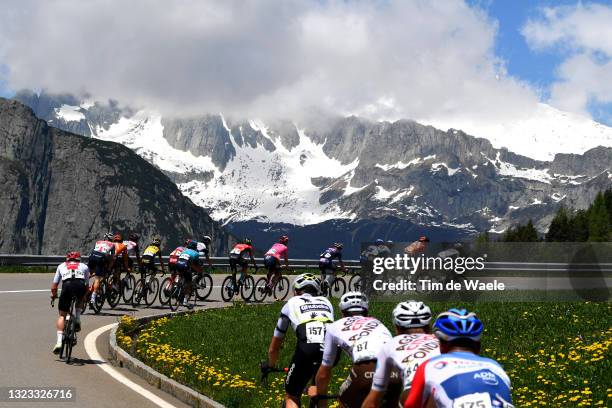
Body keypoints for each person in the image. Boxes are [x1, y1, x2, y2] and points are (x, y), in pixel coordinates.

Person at [405, 309, 514, 408]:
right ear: (478, 346)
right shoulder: (495, 366)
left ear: (441, 346)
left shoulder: (430, 365)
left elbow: (410, 405)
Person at [262, 273, 333, 408]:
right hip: (331, 351)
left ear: (296, 291)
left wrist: (270, 365)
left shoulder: (291, 303)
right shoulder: (327, 302)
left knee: (292, 396)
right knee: (320, 393)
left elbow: (275, 346)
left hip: (307, 349)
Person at [311, 291, 392, 407]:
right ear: (366, 311)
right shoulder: (378, 323)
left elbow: (324, 372)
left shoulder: (333, 327)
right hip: (395, 371)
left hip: (366, 368)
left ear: (342, 312)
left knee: (343, 400)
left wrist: (320, 394)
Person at [363, 301, 439, 408]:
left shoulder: (389, 345)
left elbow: (373, 401)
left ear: (397, 328)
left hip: (414, 392)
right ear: (429, 326)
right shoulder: (440, 341)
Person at [50, 252, 89, 353]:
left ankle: (59, 342)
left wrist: (54, 295)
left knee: (62, 316)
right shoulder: (84, 266)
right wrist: (84, 297)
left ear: (67, 259)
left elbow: (54, 286)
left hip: (67, 285)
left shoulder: (61, 266)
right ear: (79, 259)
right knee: (80, 299)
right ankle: (77, 319)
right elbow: (87, 285)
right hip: (80, 285)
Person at [88, 232, 115, 306]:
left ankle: (85, 288)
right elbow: (112, 258)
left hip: (92, 256)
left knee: (89, 274)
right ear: (111, 239)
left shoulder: (98, 242)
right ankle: (93, 297)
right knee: (98, 278)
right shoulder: (112, 244)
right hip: (101, 257)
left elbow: (94, 250)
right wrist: (109, 268)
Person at [174, 239, 202, 308]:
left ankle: (176, 287)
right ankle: (185, 302)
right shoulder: (196, 253)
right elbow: (196, 265)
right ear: (195, 247)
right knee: (189, 283)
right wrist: (199, 271)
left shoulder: (184, 250)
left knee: (180, 275)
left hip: (177, 264)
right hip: (185, 266)